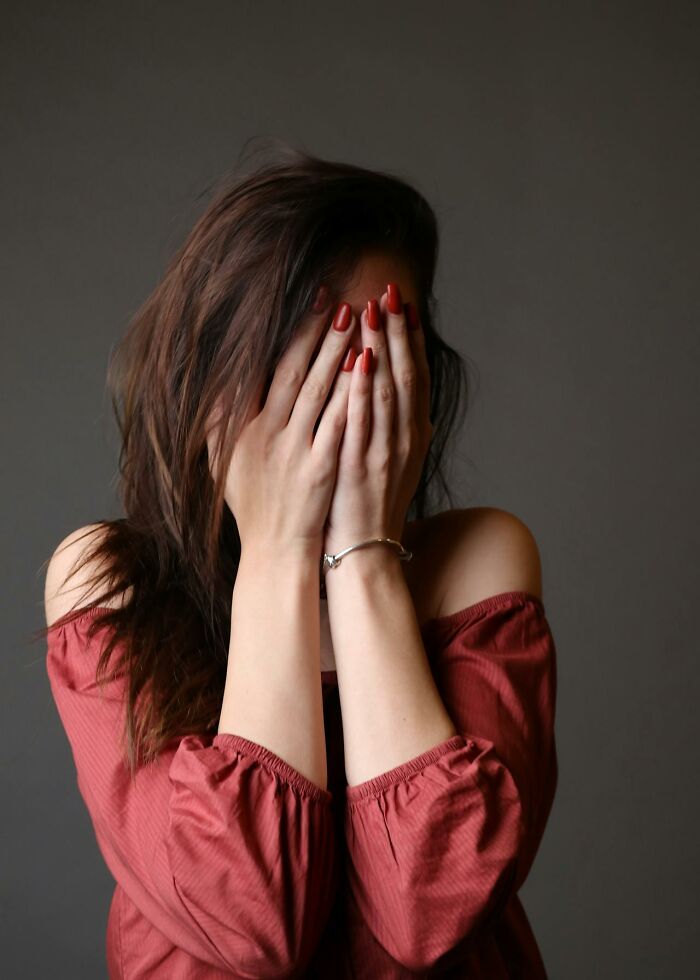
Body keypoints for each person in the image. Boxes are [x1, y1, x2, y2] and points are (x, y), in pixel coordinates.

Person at [40, 143, 558, 978]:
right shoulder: (107, 577)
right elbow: (249, 919)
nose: (344, 400)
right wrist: (279, 551)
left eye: (379, 353)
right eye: (310, 362)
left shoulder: (477, 559)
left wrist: (363, 556)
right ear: (214, 377)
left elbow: (432, 906)